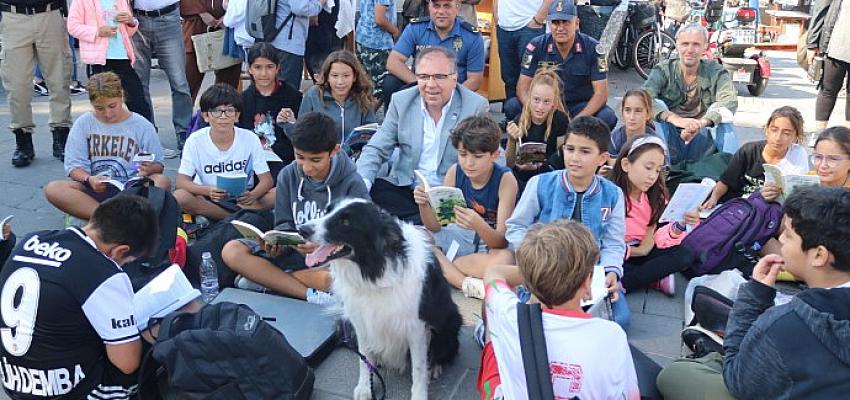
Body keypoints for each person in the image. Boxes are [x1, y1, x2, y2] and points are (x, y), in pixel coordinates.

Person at [657, 186, 850, 400]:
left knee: (674, 375)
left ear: (819, 255)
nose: (781, 240)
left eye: (788, 234)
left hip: (757, 381)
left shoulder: (790, 322)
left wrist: (756, 294)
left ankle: (710, 352)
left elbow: (739, 382)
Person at [0, 195, 158, 400]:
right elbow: (127, 364)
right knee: (159, 332)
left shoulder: (32, 239)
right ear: (120, 251)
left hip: (15, 381)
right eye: (127, 261)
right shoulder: (103, 273)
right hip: (66, 391)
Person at [477, 220, 640, 400]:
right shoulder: (612, 335)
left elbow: (493, 273)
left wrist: (537, 274)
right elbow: (630, 395)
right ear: (587, 282)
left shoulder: (508, 313)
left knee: (493, 328)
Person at [221, 112, 369, 303]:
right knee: (231, 251)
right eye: (300, 157)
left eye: (315, 160)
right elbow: (284, 224)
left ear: (334, 150)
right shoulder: (288, 175)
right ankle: (308, 294)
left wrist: (325, 244)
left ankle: (268, 281)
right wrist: (278, 244)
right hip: (296, 253)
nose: (306, 167)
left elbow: (363, 234)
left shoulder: (352, 182)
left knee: (331, 278)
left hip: (330, 260)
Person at [505, 116, 630, 329]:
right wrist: (534, 259)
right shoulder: (541, 184)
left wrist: (611, 272)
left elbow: (614, 242)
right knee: (533, 321)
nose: (574, 158)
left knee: (620, 321)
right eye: (570, 149)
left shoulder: (613, 194)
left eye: (585, 151)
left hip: (589, 277)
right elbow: (516, 227)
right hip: (545, 272)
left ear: (602, 158)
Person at [356, 47, 489, 223]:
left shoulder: (475, 106)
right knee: (371, 192)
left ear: (455, 78)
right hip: (408, 189)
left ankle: (419, 224)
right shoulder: (401, 101)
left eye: (440, 77)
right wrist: (360, 187)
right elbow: (377, 148)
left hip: (452, 194)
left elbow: (489, 158)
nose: (431, 84)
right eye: (424, 77)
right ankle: (425, 224)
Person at [414, 115, 518, 298]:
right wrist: (424, 204)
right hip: (455, 239)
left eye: (477, 157)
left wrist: (479, 224)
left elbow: (501, 240)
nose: (469, 163)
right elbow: (436, 226)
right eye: (463, 155)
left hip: (485, 247)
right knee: (415, 236)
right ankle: (465, 283)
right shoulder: (455, 171)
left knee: (506, 259)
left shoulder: (505, 180)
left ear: (494, 155)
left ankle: (448, 270)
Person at [43, 72, 168, 220]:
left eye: (112, 106)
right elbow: (73, 167)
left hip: (132, 190)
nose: (107, 113)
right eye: (99, 108)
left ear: (121, 97)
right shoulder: (84, 123)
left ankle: (106, 219)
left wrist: (149, 168)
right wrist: (88, 179)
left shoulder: (141, 125)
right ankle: (109, 219)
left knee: (162, 181)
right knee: (53, 188)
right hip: (95, 188)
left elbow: (159, 165)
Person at [504, 0, 617, 130]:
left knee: (607, 117)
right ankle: (531, 140)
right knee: (512, 106)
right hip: (545, 105)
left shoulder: (593, 48)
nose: (560, 28)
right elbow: (522, 88)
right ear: (549, 24)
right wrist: (536, 111)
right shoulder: (536, 46)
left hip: (579, 106)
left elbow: (601, 94)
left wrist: (577, 121)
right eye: (555, 22)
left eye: (566, 22)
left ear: (576, 24)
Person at [608, 135, 698, 296]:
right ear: (626, 164)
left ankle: (625, 284)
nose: (652, 176)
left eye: (657, 170)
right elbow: (602, 242)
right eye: (648, 167)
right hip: (614, 252)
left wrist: (681, 224)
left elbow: (657, 236)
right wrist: (637, 251)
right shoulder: (609, 194)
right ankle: (651, 277)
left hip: (643, 249)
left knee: (685, 254)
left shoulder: (656, 196)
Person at [174, 83, 275, 221]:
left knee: (278, 193)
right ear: (206, 116)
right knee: (181, 197)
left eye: (229, 111)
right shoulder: (195, 140)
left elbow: (267, 180)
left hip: (244, 199)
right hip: (209, 198)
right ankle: (236, 218)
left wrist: (253, 195)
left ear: (237, 115)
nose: (223, 117)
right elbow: (181, 182)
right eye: (216, 111)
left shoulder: (250, 138)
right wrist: (208, 190)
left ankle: (225, 217)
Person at [643, 23, 739, 165]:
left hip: (701, 138)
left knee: (723, 116)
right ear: (677, 45)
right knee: (654, 106)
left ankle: (731, 173)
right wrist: (673, 118)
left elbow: (730, 100)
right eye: (685, 44)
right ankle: (661, 170)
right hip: (669, 138)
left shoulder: (716, 71)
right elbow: (644, 96)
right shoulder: (663, 70)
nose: (690, 50)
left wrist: (702, 123)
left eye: (696, 44)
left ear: (705, 47)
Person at [2, 0, 73, 167]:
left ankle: (61, 135)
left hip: (50, 13)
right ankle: (23, 139)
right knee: (16, 85)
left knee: (59, 80)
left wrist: (68, 13)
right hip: (12, 16)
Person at [702, 106, 809, 210]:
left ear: (796, 137)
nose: (778, 138)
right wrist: (713, 199)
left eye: (786, 133)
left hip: (770, 212)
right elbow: (726, 181)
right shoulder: (748, 151)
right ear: (767, 130)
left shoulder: (798, 156)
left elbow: (796, 195)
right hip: (739, 206)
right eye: (774, 130)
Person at [382, 0, 485, 107]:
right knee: (391, 82)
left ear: (457, 7)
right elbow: (393, 62)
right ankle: (395, 121)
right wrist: (422, 86)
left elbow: (475, 80)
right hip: (420, 87)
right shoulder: (416, 28)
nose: (441, 11)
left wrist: (450, 97)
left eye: (447, 6)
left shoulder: (472, 37)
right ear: (429, 7)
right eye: (436, 6)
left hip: (453, 93)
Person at [66, 0, 154, 123]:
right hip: (98, 60)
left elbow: (128, 31)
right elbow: (73, 26)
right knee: (105, 107)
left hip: (122, 57)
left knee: (138, 103)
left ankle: (147, 138)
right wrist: (97, 31)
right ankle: (107, 139)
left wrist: (131, 22)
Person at [131, 0, 193, 157]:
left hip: (168, 17)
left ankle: (184, 132)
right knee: (139, 85)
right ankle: (148, 134)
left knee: (179, 82)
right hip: (137, 19)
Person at [237, 42, 303, 175]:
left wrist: (292, 123)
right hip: (251, 162)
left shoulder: (293, 97)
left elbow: (303, 136)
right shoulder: (242, 100)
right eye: (257, 67)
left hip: (284, 162)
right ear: (249, 69)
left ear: (278, 68)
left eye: (269, 67)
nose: (264, 73)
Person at [505, 67, 569, 190]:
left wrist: (542, 166)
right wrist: (511, 140)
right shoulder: (520, 120)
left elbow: (561, 156)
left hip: (550, 174)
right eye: (536, 100)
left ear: (554, 103)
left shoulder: (560, 120)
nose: (540, 107)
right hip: (523, 175)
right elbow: (509, 163)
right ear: (529, 98)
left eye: (546, 102)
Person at [298, 50, 379, 144]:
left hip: (356, 156)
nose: (340, 82)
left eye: (346, 76)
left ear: (354, 77)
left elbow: (370, 132)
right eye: (335, 76)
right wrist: (288, 124)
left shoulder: (362, 95)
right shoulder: (313, 95)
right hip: (321, 154)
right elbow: (301, 132)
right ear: (327, 77)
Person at [180, 0, 242, 103]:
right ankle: (183, 119)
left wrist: (230, 15)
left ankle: (223, 115)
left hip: (228, 29)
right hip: (195, 29)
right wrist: (202, 12)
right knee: (187, 85)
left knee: (226, 87)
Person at [494, 0, 550, 102]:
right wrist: (496, 15)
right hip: (504, 27)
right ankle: (511, 112)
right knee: (508, 76)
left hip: (529, 28)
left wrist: (539, 19)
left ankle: (532, 115)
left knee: (531, 76)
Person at [807, 0, 850, 130]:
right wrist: (812, 43)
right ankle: (819, 134)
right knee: (828, 90)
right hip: (838, 45)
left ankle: (847, 140)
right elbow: (821, 9)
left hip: (839, 45)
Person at [267, 0, 326, 91]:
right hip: (289, 43)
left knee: (275, 89)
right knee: (288, 91)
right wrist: (320, 3)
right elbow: (300, 7)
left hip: (274, 38)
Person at [354, 0, 399, 106]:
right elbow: (380, 19)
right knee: (383, 87)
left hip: (363, 38)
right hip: (378, 43)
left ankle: (360, 117)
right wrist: (395, 31)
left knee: (366, 86)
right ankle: (367, 119)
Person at [609, 89, 661, 160]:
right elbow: (614, 169)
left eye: (638, 111)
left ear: (648, 114)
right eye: (627, 110)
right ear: (622, 112)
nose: (632, 117)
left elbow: (662, 170)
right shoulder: (614, 139)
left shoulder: (656, 143)